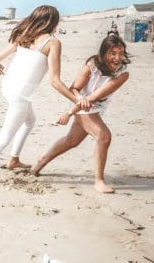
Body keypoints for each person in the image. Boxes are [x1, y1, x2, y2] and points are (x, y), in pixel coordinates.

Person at [0, 5, 89, 182]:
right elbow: (54, 81)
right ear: (52, 21)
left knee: (30, 121)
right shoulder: (53, 43)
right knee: (4, 137)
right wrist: (78, 99)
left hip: (7, 87)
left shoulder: (23, 35)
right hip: (19, 96)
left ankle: (13, 160)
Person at [32, 35, 130, 193]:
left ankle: (40, 162)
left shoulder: (123, 74)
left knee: (71, 141)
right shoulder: (92, 65)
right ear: (104, 53)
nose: (117, 57)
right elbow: (74, 88)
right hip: (79, 104)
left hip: (94, 106)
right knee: (104, 137)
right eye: (113, 53)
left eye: (121, 53)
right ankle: (99, 181)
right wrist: (75, 104)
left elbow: (95, 97)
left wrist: (70, 112)